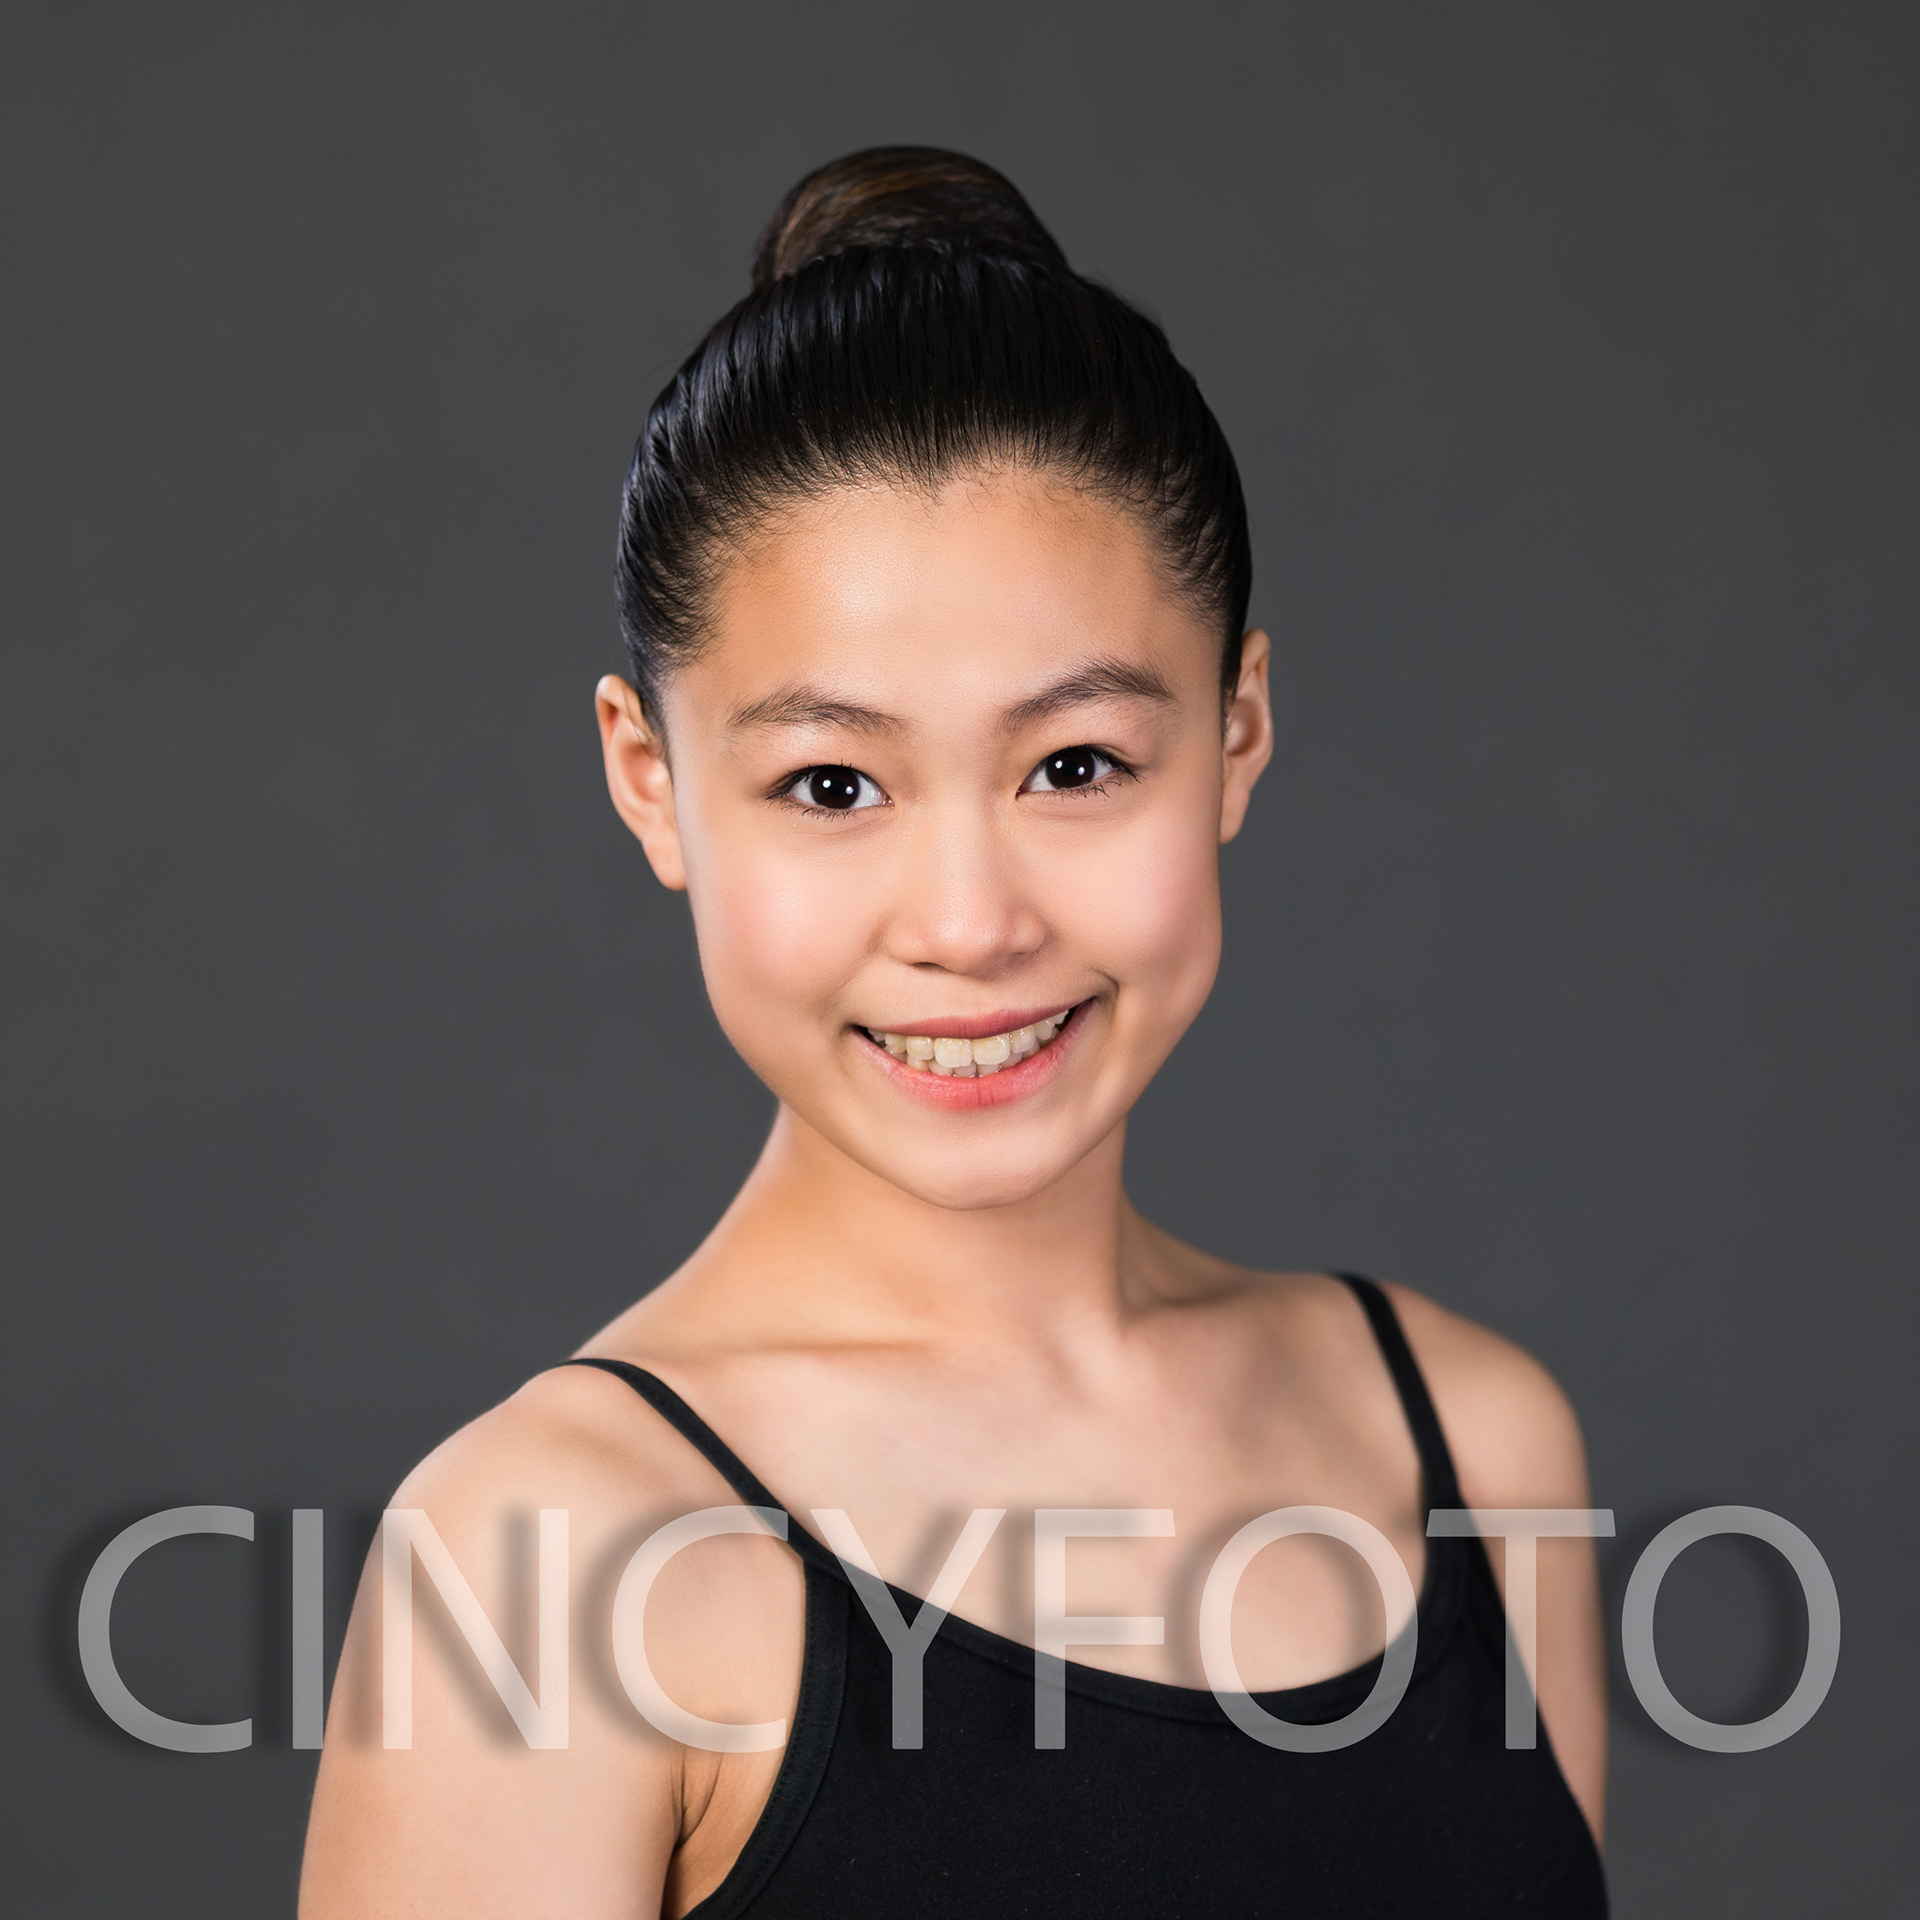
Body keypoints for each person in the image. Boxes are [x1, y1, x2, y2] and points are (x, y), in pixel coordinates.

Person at [300, 147, 1609, 1917]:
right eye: (833, 784)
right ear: (651, 782)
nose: (972, 921)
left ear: (1236, 734)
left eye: (1075, 764)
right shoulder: (543, 1564)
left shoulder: (1475, 1444)